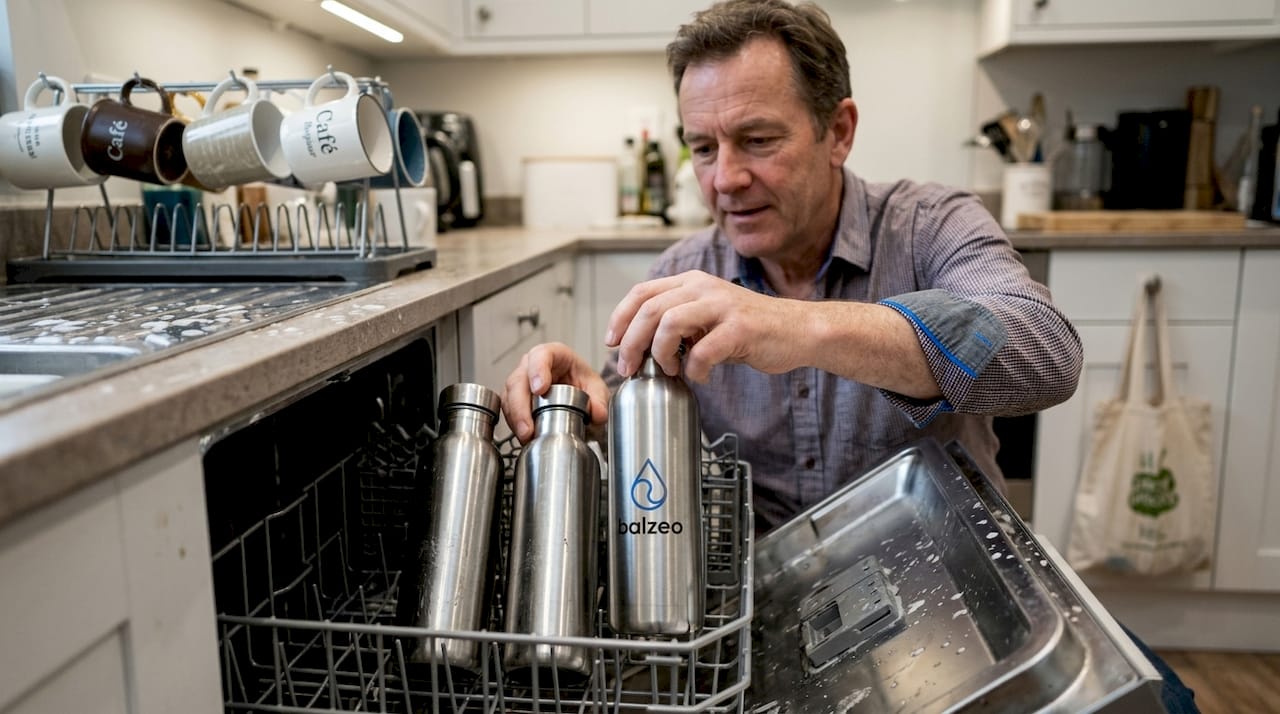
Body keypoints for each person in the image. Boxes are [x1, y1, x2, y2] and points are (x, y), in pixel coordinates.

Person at [501, 2, 1195, 707]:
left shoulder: (931, 226)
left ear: (839, 131)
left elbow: (1046, 351)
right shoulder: (683, 269)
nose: (725, 179)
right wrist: (591, 409)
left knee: (1164, 703)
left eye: (758, 139)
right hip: (766, 618)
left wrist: (801, 328)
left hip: (952, 596)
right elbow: (638, 428)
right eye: (703, 148)